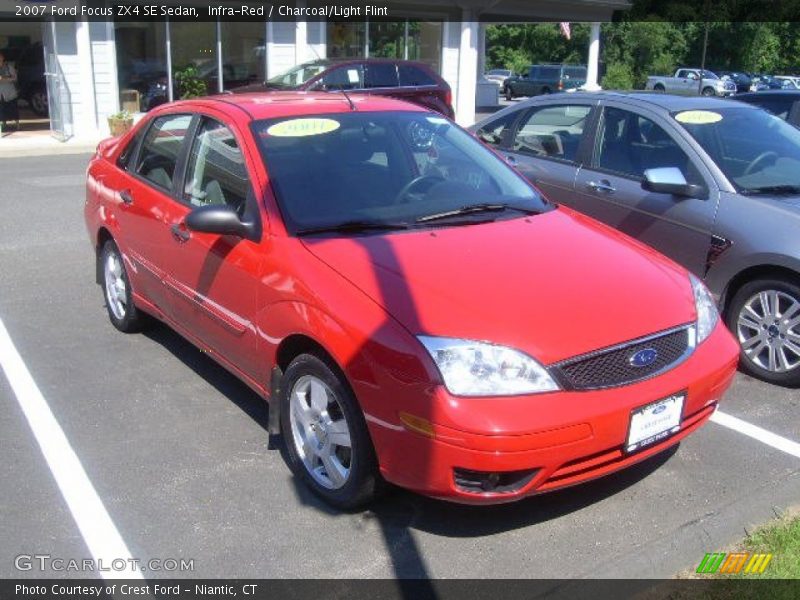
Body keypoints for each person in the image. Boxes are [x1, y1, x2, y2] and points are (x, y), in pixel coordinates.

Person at [0, 51, 20, 130]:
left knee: (13, 110)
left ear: (3, 58)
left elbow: (15, 78)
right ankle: (3, 125)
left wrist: (4, 79)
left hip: (10, 92)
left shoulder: (9, 67)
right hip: (1, 94)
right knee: (2, 111)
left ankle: (17, 125)